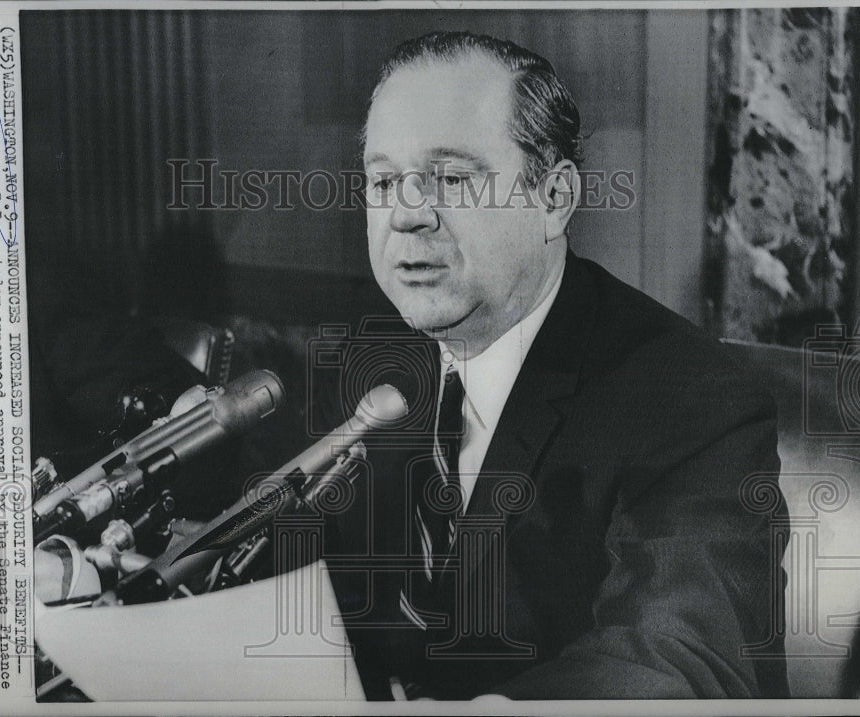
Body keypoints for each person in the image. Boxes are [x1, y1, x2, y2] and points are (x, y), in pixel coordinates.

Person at [313, 31, 789, 701]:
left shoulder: (694, 401)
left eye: (451, 178)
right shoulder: (376, 364)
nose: (407, 215)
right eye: (385, 180)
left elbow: (682, 662)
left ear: (554, 198)